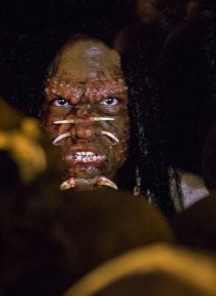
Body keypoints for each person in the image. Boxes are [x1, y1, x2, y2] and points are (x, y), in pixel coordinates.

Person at [39, 34, 178, 215]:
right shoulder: (1, 212)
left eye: (109, 101)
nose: (84, 131)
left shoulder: (190, 204)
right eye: (62, 102)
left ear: (136, 112)